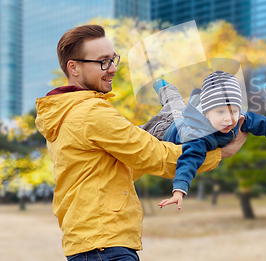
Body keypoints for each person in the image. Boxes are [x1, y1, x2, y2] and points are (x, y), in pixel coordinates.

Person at [35, 25, 248, 261]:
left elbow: (122, 166)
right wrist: (220, 153)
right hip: (104, 246)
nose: (113, 68)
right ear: (73, 67)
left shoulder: (66, 112)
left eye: (113, 59)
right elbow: (154, 156)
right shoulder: (90, 113)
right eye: (103, 62)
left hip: (95, 242)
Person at [142, 70, 266, 210]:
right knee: (161, 114)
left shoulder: (238, 118)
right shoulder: (200, 135)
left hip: (184, 117)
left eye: (232, 111)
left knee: (176, 102)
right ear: (207, 112)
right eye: (220, 112)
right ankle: (161, 84)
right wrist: (179, 190)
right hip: (165, 130)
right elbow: (188, 160)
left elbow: (265, 123)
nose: (228, 119)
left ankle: (163, 85)